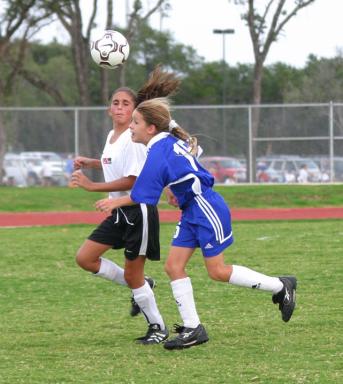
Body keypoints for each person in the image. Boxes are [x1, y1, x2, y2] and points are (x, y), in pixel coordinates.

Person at [95, 96, 298, 351]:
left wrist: (114, 202)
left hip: (205, 207)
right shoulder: (165, 141)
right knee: (173, 266)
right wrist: (177, 189)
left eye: (135, 122)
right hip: (192, 208)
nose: (131, 127)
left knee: (217, 271)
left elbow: (141, 195)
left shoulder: (158, 151)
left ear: (151, 128)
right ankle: (193, 329)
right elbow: (188, 160)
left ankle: (281, 286)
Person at [70, 67, 180, 344]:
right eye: (115, 103)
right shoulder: (113, 136)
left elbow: (133, 179)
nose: (119, 107)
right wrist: (92, 163)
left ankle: (157, 327)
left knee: (133, 274)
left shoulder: (134, 141)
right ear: (109, 109)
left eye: (125, 104)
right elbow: (112, 164)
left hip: (137, 211)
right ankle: (144, 285)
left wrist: (91, 185)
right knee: (85, 258)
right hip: (118, 211)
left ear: (135, 112)